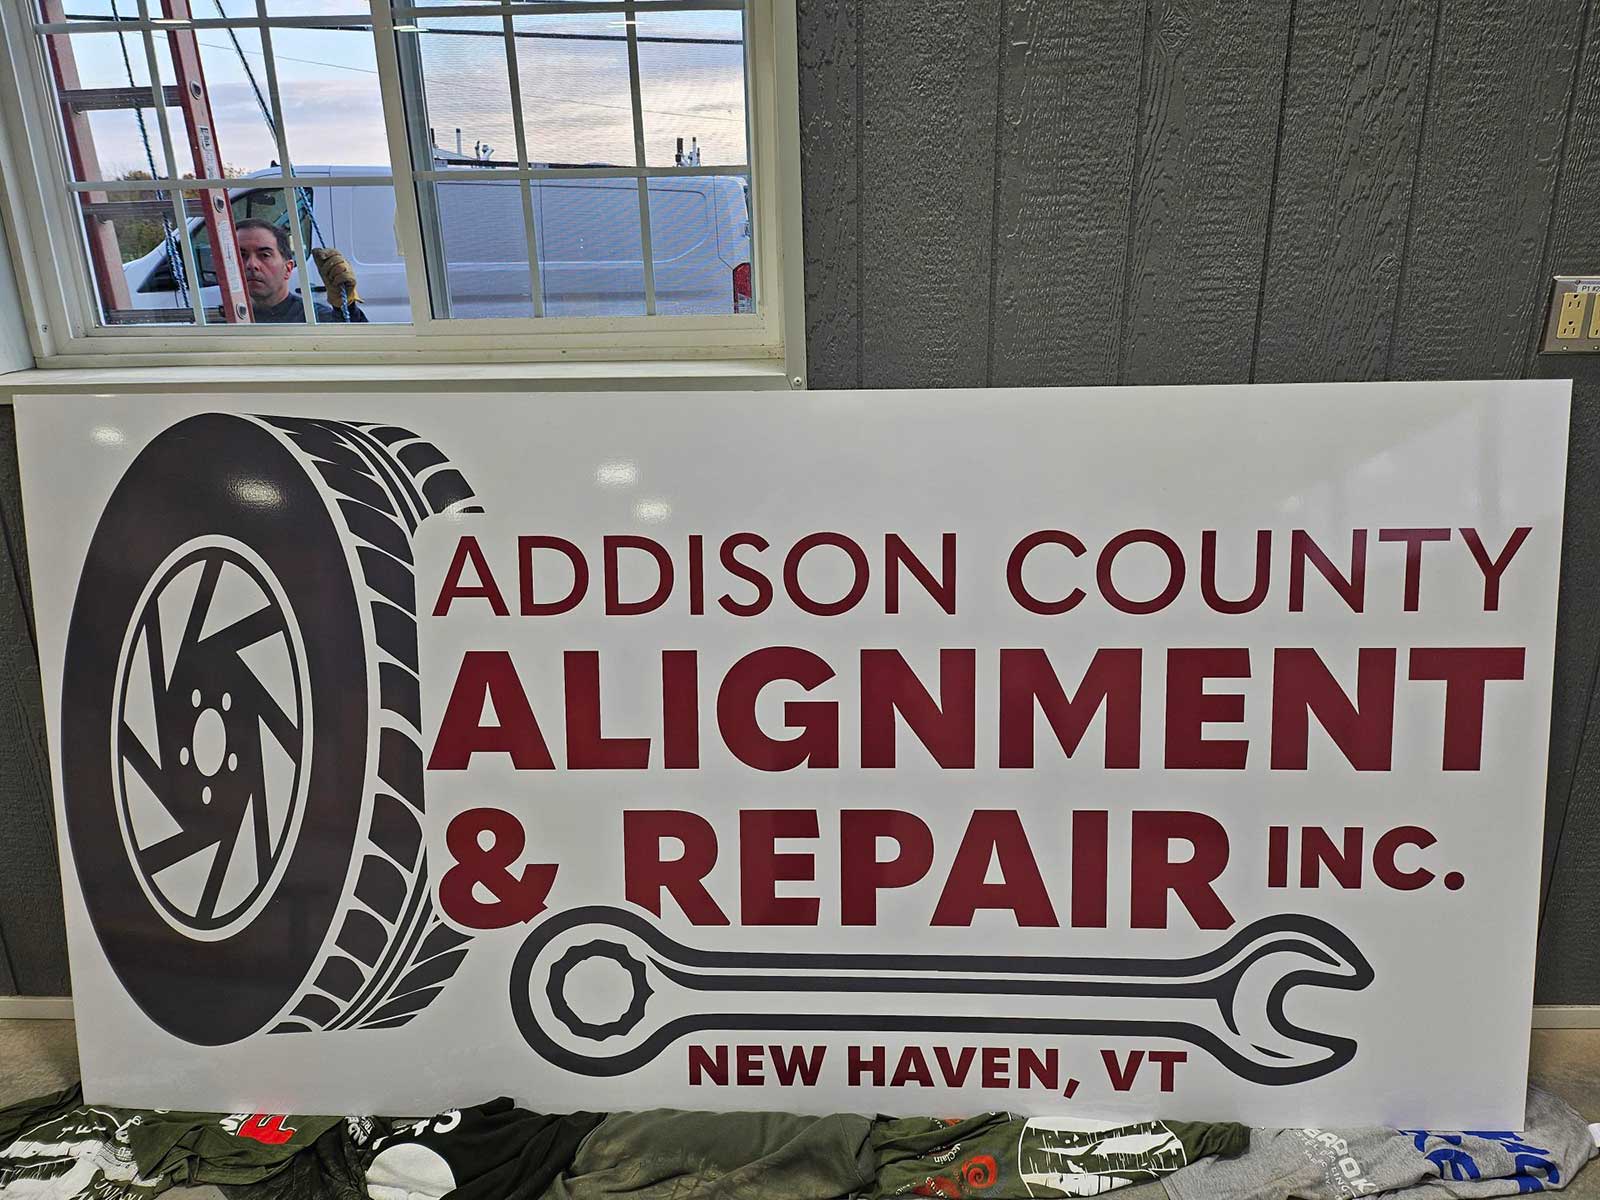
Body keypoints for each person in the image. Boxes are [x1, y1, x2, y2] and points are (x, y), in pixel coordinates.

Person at [235, 217, 364, 323]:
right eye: (241, 255)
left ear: (288, 268)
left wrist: (347, 308)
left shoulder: (317, 320)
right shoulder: (224, 323)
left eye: (264, 255)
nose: (251, 264)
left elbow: (361, 346)